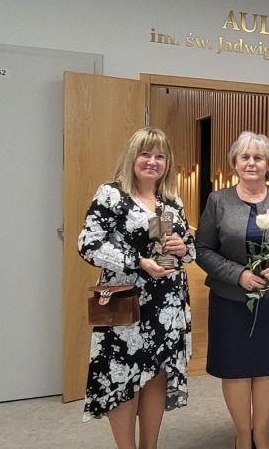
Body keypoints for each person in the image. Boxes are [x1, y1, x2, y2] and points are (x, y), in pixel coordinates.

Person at [78, 127, 194, 449]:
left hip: (167, 305)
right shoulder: (111, 195)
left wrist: (183, 248)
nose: (152, 161)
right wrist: (137, 262)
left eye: (160, 156)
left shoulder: (171, 200)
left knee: (156, 374)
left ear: (167, 162)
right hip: (126, 305)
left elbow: (189, 247)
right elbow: (88, 244)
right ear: (133, 157)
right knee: (123, 378)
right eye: (145, 154)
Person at [195, 131, 269, 449]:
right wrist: (238, 275)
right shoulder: (218, 201)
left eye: (258, 157)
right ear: (234, 162)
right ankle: (243, 434)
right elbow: (202, 249)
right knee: (236, 368)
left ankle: (262, 432)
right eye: (244, 157)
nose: (251, 163)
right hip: (230, 301)